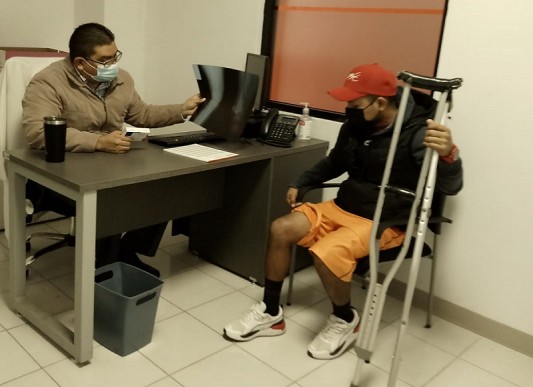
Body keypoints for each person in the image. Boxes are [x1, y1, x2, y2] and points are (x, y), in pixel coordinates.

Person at [223, 63, 463, 360]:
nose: (348, 110)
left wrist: (449, 155)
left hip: (385, 219)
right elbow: (336, 161)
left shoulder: (418, 134)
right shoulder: (356, 125)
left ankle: (345, 318)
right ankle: (271, 313)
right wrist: (302, 181)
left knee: (326, 252)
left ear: (380, 103)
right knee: (281, 228)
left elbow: (450, 187)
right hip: (343, 206)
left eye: (355, 104)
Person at [22, 22, 205, 277]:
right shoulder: (47, 83)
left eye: (115, 56)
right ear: (80, 63)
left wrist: (180, 110)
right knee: (111, 197)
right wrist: (98, 142)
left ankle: (125, 251)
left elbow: (142, 114)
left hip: (110, 163)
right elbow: (38, 132)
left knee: (161, 186)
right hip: (62, 171)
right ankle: (106, 267)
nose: (113, 65)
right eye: (105, 60)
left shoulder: (121, 79)